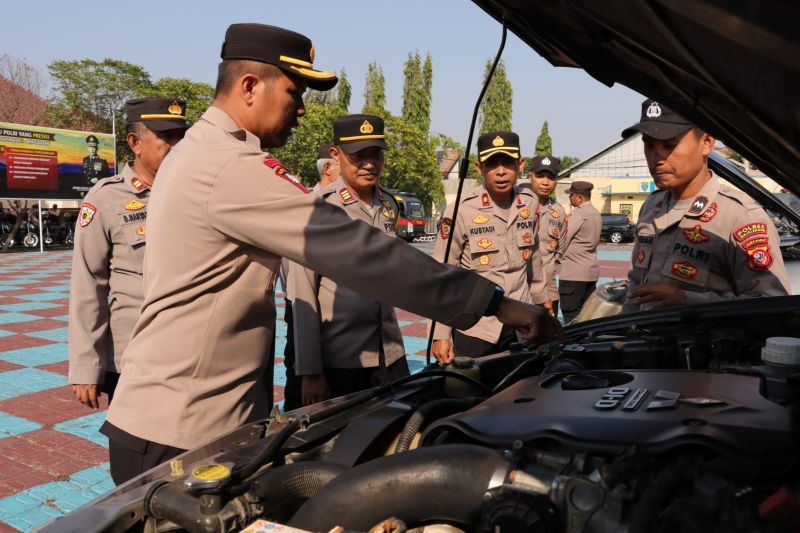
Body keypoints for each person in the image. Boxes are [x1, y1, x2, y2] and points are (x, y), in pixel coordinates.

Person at [101, 23, 558, 485]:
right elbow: (360, 253)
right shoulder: (226, 165)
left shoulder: (203, 151)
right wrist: (496, 305)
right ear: (250, 86)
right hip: (179, 428)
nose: (301, 108)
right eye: (293, 91)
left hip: (192, 416)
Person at [68, 98, 189, 410]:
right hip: (135, 358)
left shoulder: (192, 191)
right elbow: (87, 285)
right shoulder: (106, 199)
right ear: (135, 143)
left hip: (190, 354)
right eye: (166, 137)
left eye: (181, 137)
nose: (176, 146)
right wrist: (86, 366)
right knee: (141, 455)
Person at [620, 99, 790, 312]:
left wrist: (687, 301)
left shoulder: (740, 216)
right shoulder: (651, 208)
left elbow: (771, 307)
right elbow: (636, 291)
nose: (657, 157)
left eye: (669, 144)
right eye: (649, 144)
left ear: (707, 143)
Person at [290, 115, 408, 406]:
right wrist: (310, 372)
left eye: (376, 154)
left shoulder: (389, 204)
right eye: (358, 156)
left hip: (389, 352)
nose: (369, 163)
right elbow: (301, 295)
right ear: (336, 155)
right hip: (340, 360)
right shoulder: (317, 210)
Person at [429, 131, 539, 362]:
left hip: (522, 322)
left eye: (508, 162)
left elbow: (534, 261)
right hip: (477, 325)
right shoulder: (461, 209)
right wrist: (440, 333)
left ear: (520, 164)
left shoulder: (529, 202)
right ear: (480, 168)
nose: (501, 171)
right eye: (492, 164)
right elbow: (442, 273)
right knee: (472, 393)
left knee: (522, 389)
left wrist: (541, 306)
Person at [280, 142, 341, 412]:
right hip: (301, 305)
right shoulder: (308, 207)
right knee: (302, 398)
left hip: (334, 318)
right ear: (328, 167)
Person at [528, 156, 567, 317]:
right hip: (520, 290)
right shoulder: (515, 205)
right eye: (540, 176)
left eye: (550, 177)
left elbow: (559, 250)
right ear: (530, 175)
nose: (545, 182)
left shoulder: (558, 212)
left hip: (549, 289)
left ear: (556, 180)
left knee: (547, 339)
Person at [558, 180, 601, 323]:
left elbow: (563, 239)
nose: (570, 199)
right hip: (590, 271)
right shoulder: (596, 213)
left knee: (571, 313)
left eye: (571, 196)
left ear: (579, 198)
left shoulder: (578, 214)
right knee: (586, 315)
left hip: (573, 273)